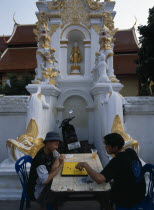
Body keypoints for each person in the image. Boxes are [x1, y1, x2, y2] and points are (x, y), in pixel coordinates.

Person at [76, 133, 146, 209]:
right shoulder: (130, 151)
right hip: (140, 193)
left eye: (107, 146)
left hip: (129, 199)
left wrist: (85, 165)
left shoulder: (117, 161)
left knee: (102, 193)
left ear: (115, 147)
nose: (105, 147)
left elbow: (100, 179)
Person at [27, 131, 65, 210]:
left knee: (61, 184)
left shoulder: (50, 151)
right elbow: (45, 181)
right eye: (55, 144)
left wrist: (53, 168)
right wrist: (60, 165)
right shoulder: (40, 158)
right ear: (47, 143)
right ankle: (47, 206)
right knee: (60, 190)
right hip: (38, 190)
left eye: (57, 145)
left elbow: (58, 156)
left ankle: (55, 205)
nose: (57, 147)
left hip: (45, 180)